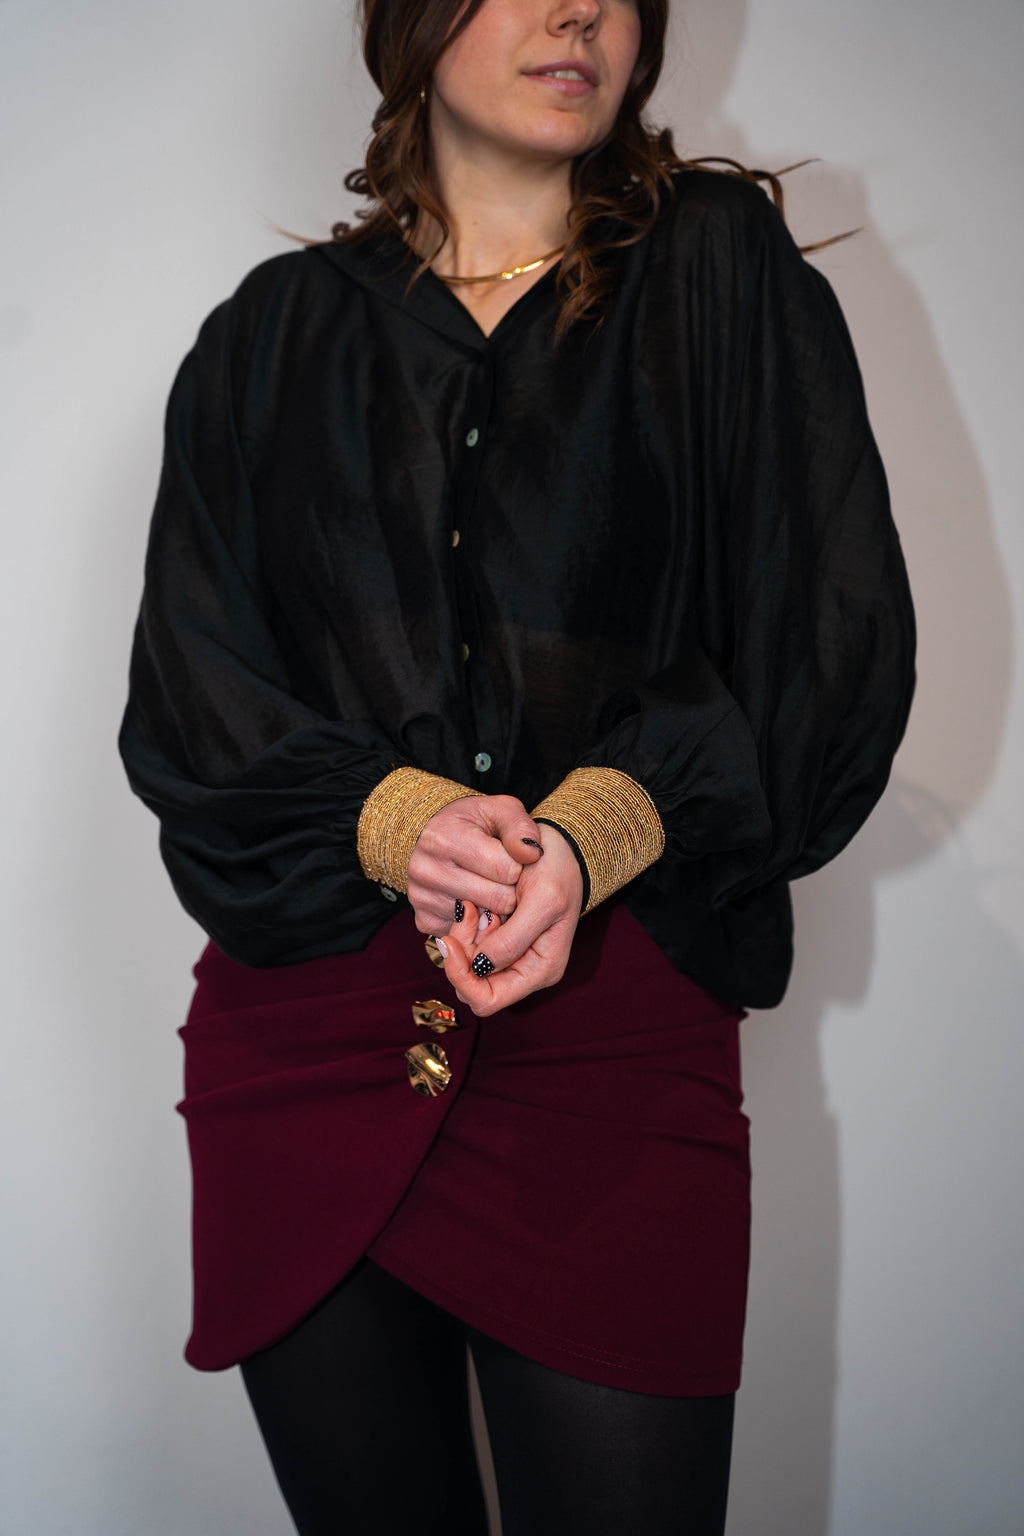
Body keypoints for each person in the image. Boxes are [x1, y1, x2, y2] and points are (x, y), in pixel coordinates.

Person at [118, 0, 916, 1531]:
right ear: (415, 22)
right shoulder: (266, 340)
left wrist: (597, 830)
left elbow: (826, 650)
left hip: (612, 1042)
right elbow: (192, 695)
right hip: (310, 1042)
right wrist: (395, 818)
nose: (580, 11)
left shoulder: (720, 281)